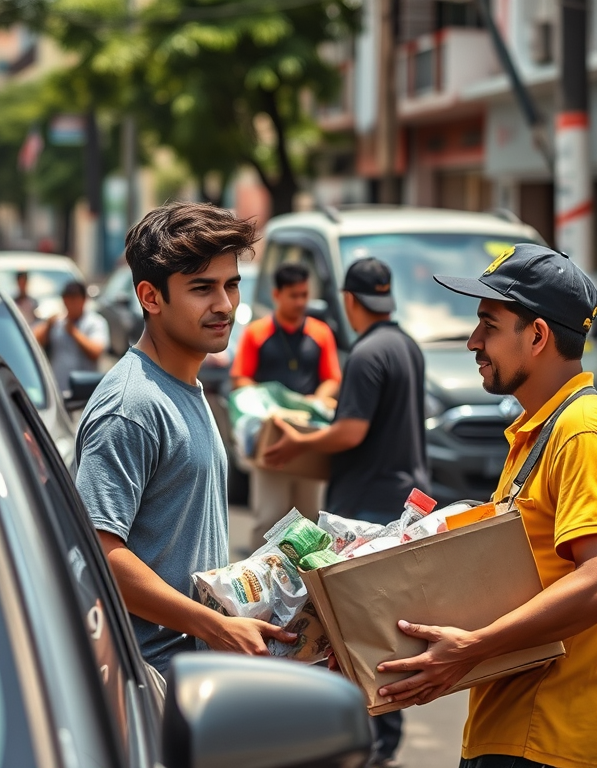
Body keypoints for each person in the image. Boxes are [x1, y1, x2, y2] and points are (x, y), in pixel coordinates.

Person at [367, 244, 597, 768]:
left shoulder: (584, 432)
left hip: (552, 741)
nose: (474, 342)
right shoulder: (543, 430)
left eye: (489, 325)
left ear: (538, 335)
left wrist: (473, 645)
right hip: (519, 732)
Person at [74, 202, 295, 675]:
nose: (224, 305)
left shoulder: (187, 385)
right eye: (202, 289)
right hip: (149, 683)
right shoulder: (131, 405)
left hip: (197, 677)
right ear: (151, 298)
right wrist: (213, 627)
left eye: (231, 285)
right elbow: (99, 551)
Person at [264, 257, 429, 768]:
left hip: (363, 508)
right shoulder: (405, 346)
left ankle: (365, 738)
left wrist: (300, 443)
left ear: (350, 301)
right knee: (385, 624)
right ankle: (382, 734)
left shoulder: (364, 353)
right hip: (402, 503)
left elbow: (352, 431)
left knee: (351, 628)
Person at [231, 261, 343, 549]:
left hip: (310, 434)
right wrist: (270, 404)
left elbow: (332, 378)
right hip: (273, 432)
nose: (300, 302)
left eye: (304, 295)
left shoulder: (320, 333)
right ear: (277, 294)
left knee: (310, 519)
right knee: (268, 517)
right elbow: (240, 379)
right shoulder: (257, 333)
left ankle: (308, 587)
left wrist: (318, 398)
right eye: (294, 295)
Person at [34, 280, 110, 393]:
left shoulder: (95, 322)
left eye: (75, 300)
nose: (71, 305)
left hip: (85, 391)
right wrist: (48, 326)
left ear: (84, 300)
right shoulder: (58, 322)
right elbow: (33, 341)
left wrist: (74, 332)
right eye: (67, 300)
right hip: (59, 388)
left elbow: (96, 352)